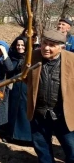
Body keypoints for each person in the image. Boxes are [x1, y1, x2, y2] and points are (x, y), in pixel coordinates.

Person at [25, 29, 74, 163]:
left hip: (63, 115)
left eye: (51, 45)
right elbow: (25, 78)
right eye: (44, 43)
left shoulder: (72, 60)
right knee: (43, 151)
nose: (46, 48)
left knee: (72, 149)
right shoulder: (32, 56)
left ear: (61, 48)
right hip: (39, 114)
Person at [7, 36, 32, 143]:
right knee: (13, 110)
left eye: (22, 45)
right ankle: (12, 135)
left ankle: (26, 137)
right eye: (18, 45)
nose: (20, 47)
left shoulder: (31, 56)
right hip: (15, 87)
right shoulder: (12, 56)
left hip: (27, 87)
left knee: (25, 111)